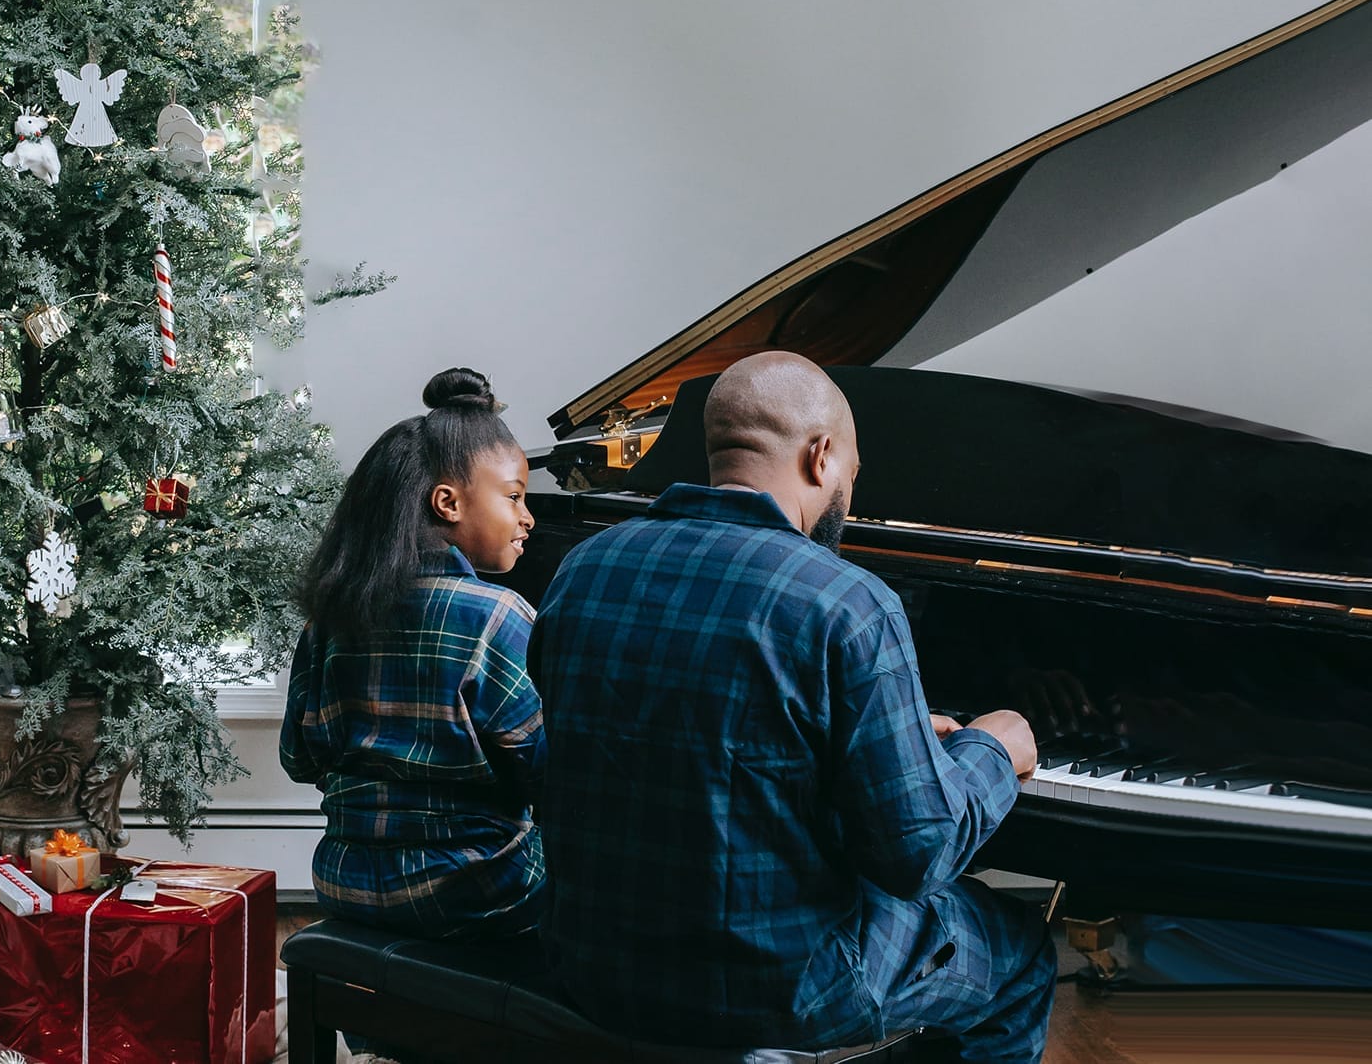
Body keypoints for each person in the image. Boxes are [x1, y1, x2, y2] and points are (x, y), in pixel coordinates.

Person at [530, 351, 1055, 1061]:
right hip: (780, 992)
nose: (850, 500)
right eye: (852, 477)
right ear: (822, 456)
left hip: (591, 965)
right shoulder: (849, 602)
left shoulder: (582, 569)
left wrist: (863, 744)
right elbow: (917, 858)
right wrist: (991, 747)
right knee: (1020, 953)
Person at [280, 367, 545, 939]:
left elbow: (299, 761)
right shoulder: (496, 617)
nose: (528, 517)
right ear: (447, 502)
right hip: (477, 891)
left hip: (342, 884)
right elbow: (545, 771)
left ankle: (388, 1025)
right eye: (515, 496)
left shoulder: (329, 621)